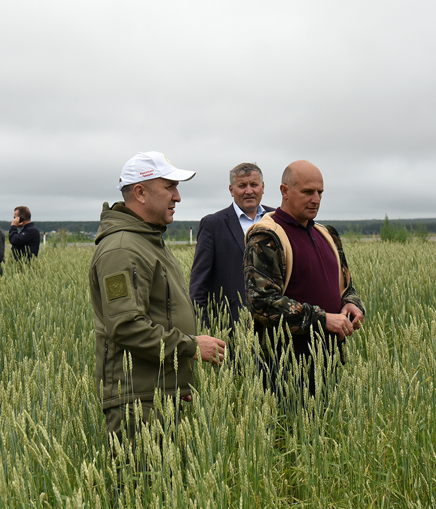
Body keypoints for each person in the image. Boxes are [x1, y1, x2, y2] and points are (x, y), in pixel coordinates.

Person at [90, 151, 227, 443]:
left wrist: (177, 380)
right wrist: (190, 346)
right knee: (141, 488)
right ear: (140, 192)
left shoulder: (149, 241)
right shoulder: (122, 249)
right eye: (169, 187)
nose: (177, 197)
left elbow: (158, 316)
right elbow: (126, 325)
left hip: (158, 393)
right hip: (138, 402)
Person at [244, 160, 365, 397]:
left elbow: (345, 284)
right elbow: (262, 303)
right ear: (284, 191)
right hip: (286, 371)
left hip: (330, 362)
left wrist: (352, 303)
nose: (316, 199)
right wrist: (322, 319)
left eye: (320, 192)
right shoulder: (266, 237)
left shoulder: (327, 234)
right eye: (308, 192)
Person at [190, 162, 273, 330]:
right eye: (242, 185)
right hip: (230, 329)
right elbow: (199, 286)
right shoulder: (213, 225)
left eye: (254, 185)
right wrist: (205, 329)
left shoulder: (277, 219)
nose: (249, 191)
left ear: (263, 187)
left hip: (274, 329)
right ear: (231, 190)